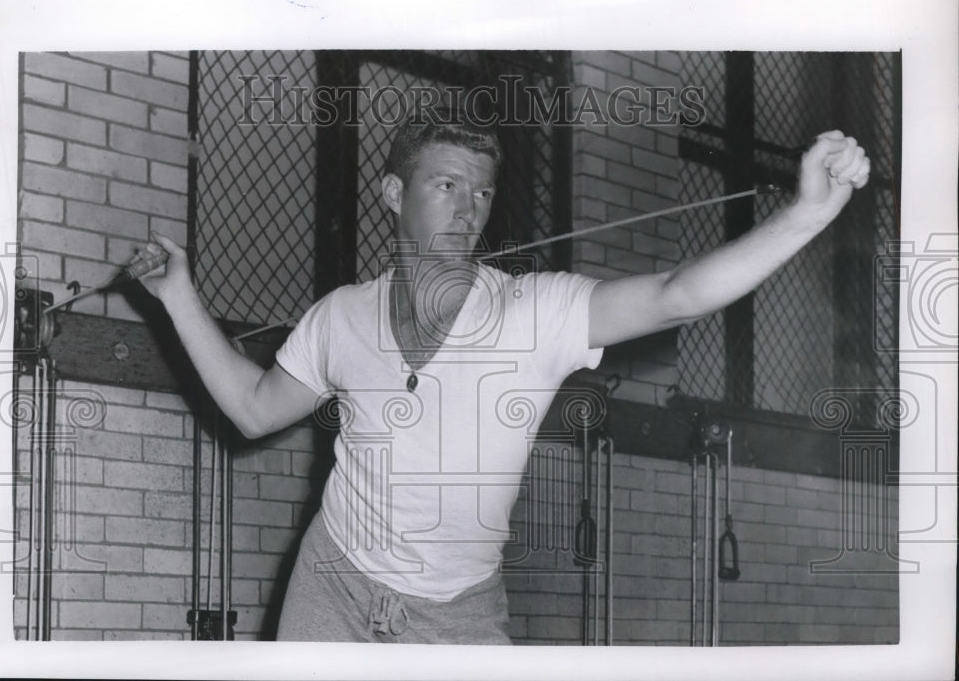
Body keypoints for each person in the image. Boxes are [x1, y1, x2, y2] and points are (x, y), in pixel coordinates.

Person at [137, 110, 870, 644]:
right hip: (330, 587)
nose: (467, 208)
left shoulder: (533, 310)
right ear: (394, 194)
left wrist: (806, 214)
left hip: (457, 614)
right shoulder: (339, 317)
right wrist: (178, 294)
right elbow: (252, 408)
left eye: (481, 192)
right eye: (446, 185)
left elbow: (677, 292)